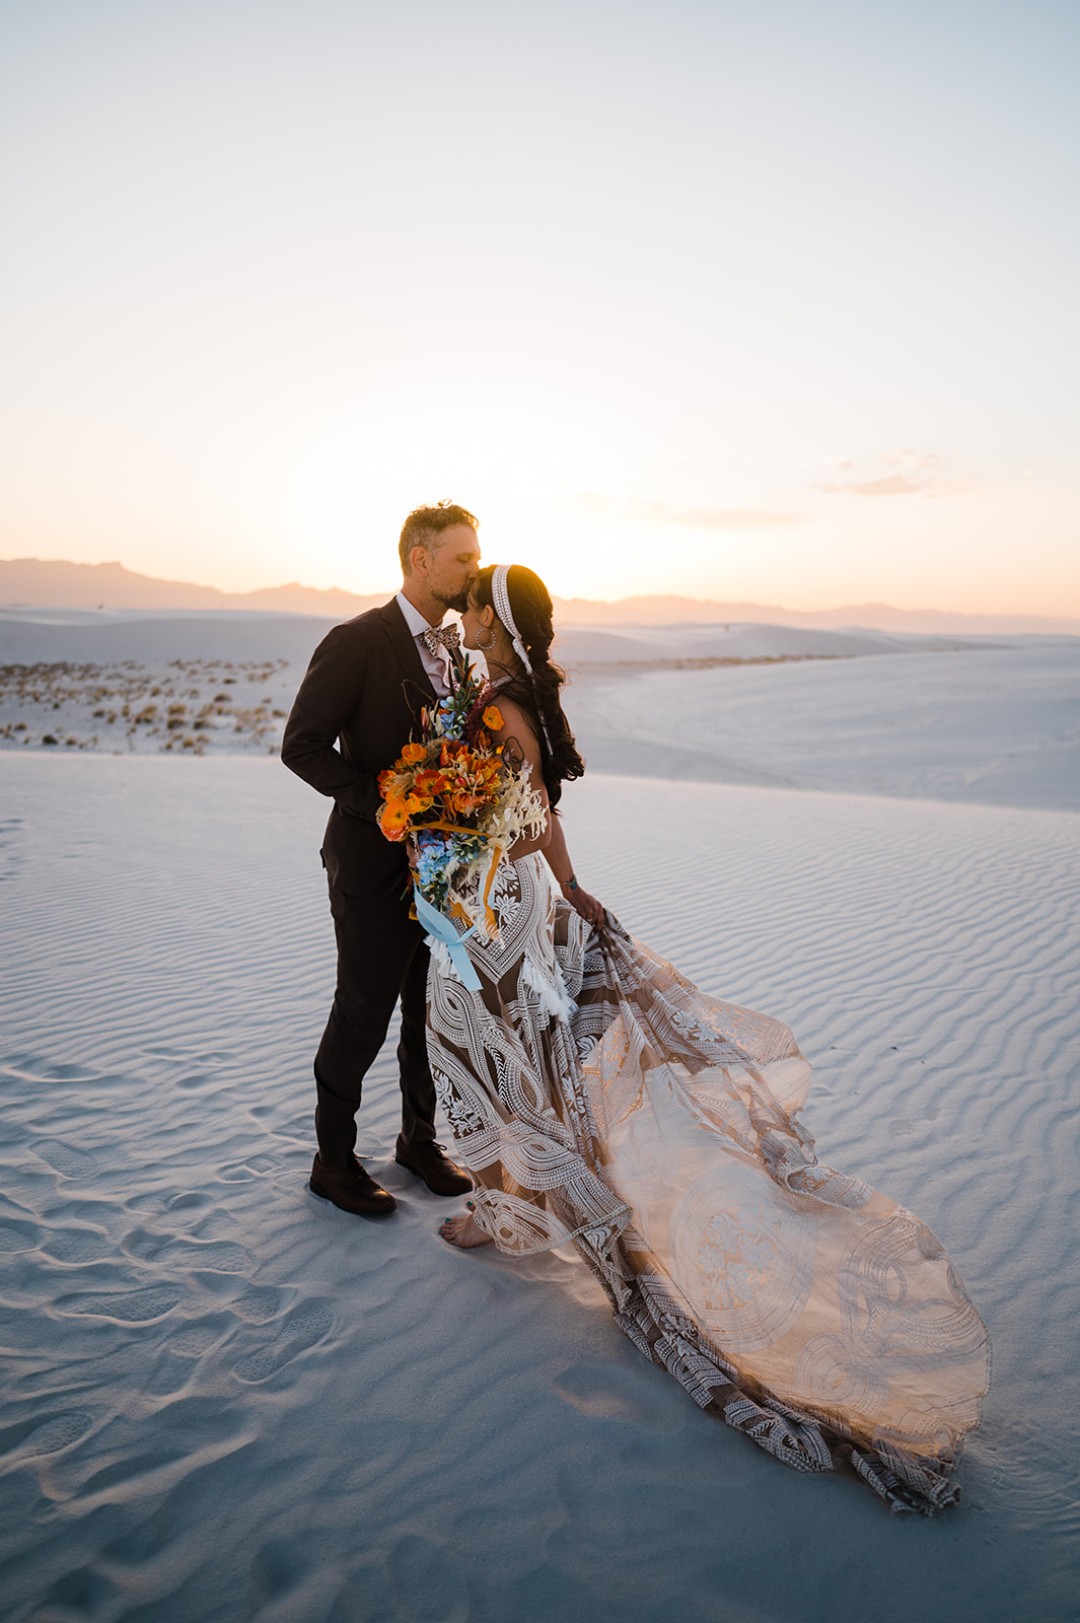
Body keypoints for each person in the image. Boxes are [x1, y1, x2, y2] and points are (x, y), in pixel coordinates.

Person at [422, 563, 989, 1514]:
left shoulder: (496, 714)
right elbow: (545, 817)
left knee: (492, 1055)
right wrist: (568, 884)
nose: (461, 617)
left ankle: (505, 1207)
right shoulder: (519, 701)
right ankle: (510, 1200)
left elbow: (504, 824)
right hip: (518, 902)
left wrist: (449, 843)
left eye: (473, 607)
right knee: (519, 1062)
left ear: (494, 622)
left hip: (497, 912)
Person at [281, 501, 481, 1216]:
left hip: (441, 871)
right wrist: (384, 800)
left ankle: (418, 1143)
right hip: (370, 865)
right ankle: (332, 1162)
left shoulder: (457, 651)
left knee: (427, 1012)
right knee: (361, 1012)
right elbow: (300, 745)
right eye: (461, 556)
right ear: (420, 559)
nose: (473, 568)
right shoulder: (358, 640)